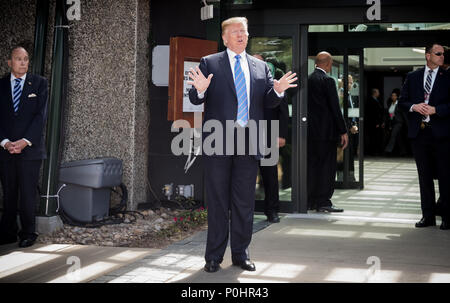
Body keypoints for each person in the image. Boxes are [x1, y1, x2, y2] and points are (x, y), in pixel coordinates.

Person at [188, 17, 297, 273]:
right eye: (236, 32)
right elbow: (194, 97)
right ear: (224, 37)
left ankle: (241, 254)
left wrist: (278, 91)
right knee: (217, 202)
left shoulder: (260, 68)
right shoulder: (210, 62)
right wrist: (201, 90)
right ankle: (213, 257)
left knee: (244, 202)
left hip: (249, 143)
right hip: (218, 143)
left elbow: (269, 102)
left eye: (244, 32)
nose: (241, 35)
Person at [0, 46, 48, 247]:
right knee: (9, 192)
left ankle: (28, 232)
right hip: (5, 149)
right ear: (9, 62)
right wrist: (5, 142)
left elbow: (41, 116)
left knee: (28, 192)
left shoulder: (39, 84)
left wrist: (25, 141)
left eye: (26, 59)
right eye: (18, 59)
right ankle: (7, 232)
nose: (22, 62)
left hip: (30, 149)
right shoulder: (0, 85)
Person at [398, 43, 450, 230]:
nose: (442, 56)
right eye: (438, 53)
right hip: (419, 134)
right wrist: (414, 106)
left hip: (442, 135)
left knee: (445, 176)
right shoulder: (413, 77)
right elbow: (402, 102)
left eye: (443, 54)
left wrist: (437, 109)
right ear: (428, 56)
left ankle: (447, 217)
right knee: (424, 177)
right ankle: (427, 216)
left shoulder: (448, 77)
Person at [307, 51, 348, 213]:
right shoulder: (328, 81)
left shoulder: (308, 80)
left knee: (312, 166)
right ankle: (323, 201)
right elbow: (335, 108)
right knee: (326, 167)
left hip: (310, 133)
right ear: (328, 64)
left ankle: (310, 200)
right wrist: (343, 131)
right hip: (326, 133)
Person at [253, 54, 289, 224]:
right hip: (246, 136)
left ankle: (272, 211)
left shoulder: (274, 84)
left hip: (269, 135)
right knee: (244, 176)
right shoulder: (242, 82)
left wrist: (281, 135)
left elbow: (283, 112)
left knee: (270, 176)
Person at [384, 89, 408, 156]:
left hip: (399, 122)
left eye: (394, 96)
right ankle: (403, 151)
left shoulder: (399, 104)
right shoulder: (390, 104)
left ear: (397, 97)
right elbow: (388, 114)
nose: (393, 97)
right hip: (392, 122)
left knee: (393, 135)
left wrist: (407, 124)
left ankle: (388, 151)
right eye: (392, 96)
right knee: (398, 137)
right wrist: (385, 122)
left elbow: (404, 114)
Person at [365, 88, 385, 156]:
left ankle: (376, 150)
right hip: (373, 122)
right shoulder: (370, 101)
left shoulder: (377, 100)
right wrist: (376, 123)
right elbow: (372, 113)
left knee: (376, 137)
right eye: (378, 92)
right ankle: (373, 151)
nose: (379, 93)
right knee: (373, 137)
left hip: (377, 122)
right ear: (374, 93)